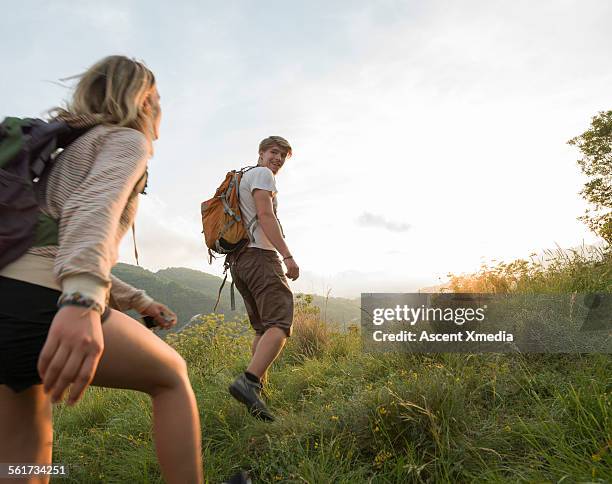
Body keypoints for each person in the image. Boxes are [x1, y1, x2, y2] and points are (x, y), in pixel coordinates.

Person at [0, 56, 203, 483]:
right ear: (145, 100)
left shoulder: (63, 150)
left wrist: (139, 301)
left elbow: (55, 242)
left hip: (8, 303)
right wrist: (81, 302)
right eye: (159, 100)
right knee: (170, 377)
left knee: (25, 461)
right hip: (41, 303)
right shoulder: (127, 141)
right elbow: (90, 213)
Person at [228, 136, 299, 422]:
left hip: (239, 261)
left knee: (262, 328)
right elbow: (265, 215)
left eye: (283, 155)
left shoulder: (243, 177)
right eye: (274, 152)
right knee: (280, 323)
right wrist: (288, 256)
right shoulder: (263, 174)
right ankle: (249, 381)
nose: (278, 159)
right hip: (260, 257)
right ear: (260, 153)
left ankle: (258, 392)